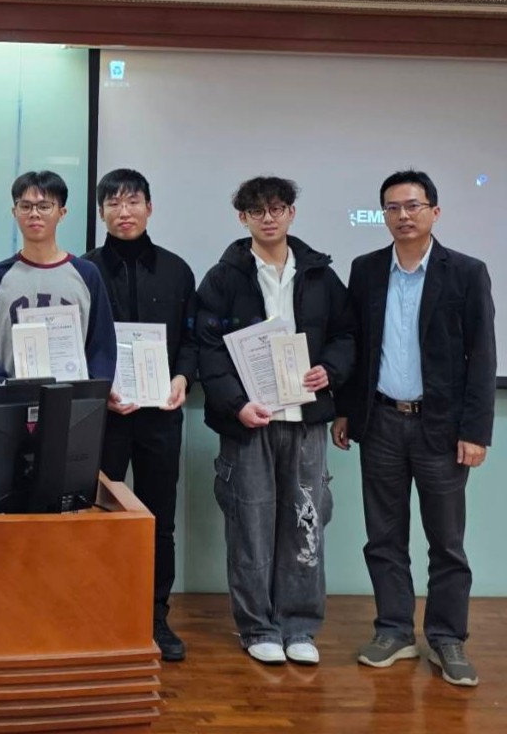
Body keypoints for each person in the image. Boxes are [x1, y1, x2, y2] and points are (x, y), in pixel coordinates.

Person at [333, 169, 495, 687]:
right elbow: (356, 346)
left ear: (434, 212)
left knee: (446, 542)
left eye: (413, 206)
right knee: (383, 537)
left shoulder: (466, 272)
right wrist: (345, 410)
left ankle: (447, 638)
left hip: (441, 429)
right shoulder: (366, 270)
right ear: (383, 215)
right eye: (393, 207)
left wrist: (476, 431)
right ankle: (394, 630)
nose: (403, 215)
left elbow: (482, 357)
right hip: (381, 421)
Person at [196, 176, 354, 666]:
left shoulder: (320, 275)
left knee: (305, 522)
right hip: (250, 422)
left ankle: (299, 626)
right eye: (257, 211)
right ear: (242, 218)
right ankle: (257, 627)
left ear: (291, 213)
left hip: (305, 420)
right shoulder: (223, 278)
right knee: (251, 524)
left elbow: (347, 335)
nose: (269, 218)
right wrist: (235, 404)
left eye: (277, 208)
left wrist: (330, 371)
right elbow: (207, 348)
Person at [82, 168, 197, 662]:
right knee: (99, 517)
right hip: (103, 417)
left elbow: (191, 340)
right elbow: (78, 343)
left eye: (132, 202)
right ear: (101, 212)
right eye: (113, 203)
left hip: (160, 415)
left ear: (149, 208)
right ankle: (100, 614)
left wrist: (182, 378)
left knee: (158, 519)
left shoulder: (177, 270)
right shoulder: (84, 270)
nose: (123, 212)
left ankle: (155, 617)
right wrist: (99, 387)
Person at [0, 170, 116, 385]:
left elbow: (101, 346)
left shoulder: (87, 274)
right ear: (14, 212)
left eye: (44, 206)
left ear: (62, 213)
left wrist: (89, 393)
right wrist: (2, 386)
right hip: (10, 399)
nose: (34, 214)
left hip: (73, 400)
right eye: (25, 206)